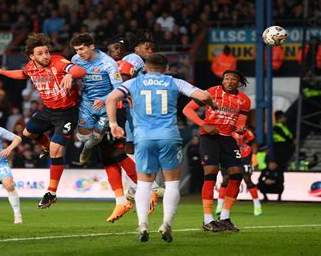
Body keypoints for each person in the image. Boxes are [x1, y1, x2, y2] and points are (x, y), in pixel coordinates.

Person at [106, 53, 217, 243]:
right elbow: (204, 95)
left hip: (143, 138)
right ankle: (166, 224)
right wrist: (211, 104)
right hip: (169, 137)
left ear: (146, 68)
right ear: (166, 68)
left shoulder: (133, 83)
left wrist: (113, 124)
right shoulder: (174, 82)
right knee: (172, 183)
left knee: (144, 183)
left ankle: (142, 224)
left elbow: (111, 98)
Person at [0, 33, 87, 209]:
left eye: (46, 52)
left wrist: (70, 75)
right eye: (40, 53)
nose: (45, 56)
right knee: (28, 132)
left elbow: (80, 70)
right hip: (48, 110)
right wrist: (1, 71)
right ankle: (46, 147)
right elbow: (21, 74)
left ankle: (51, 192)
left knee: (56, 150)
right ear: (32, 56)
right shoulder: (31, 67)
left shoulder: (58, 62)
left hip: (67, 112)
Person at [183, 69, 250, 232]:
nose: (229, 81)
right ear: (223, 80)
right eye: (227, 78)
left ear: (239, 83)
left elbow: (241, 123)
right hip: (209, 138)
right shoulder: (211, 92)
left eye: (233, 79)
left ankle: (225, 217)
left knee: (237, 174)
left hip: (228, 139)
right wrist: (203, 124)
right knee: (211, 173)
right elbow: (187, 110)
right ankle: (208, 219)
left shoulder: (244, 100)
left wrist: (241, 129)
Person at [69, 33, 122, 164]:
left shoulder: (108, 63)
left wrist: (104, 99)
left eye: (81, 49)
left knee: (97, 137)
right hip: (87, 102)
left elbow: (119, 88)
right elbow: (71, 73)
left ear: (91, 46)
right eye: (76, 50)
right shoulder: (75, 60)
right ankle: (86, 143)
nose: (79, 53)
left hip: (106, 104)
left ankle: (87, 148)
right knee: (82, 137)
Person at [216, 127, 262, 216]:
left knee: (247, 179)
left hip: (244, 155)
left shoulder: (245, 130)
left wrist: (254, 156)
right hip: (228, 155)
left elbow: (253, 142)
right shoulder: (224, 128)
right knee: (225, 178)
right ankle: (219, 205)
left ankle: (257, 205)